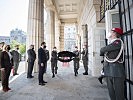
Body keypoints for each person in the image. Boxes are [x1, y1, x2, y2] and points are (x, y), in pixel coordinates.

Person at [100, 28, 125, 100]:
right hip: (109, 70)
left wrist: (103, 50)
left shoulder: (118, 42)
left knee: (118, 91)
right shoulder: (112, 42)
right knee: (111, 91)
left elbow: (102, 50)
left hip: (116, 70)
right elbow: (103, 52)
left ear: (115, 33)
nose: (110, 33)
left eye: (112, 32)